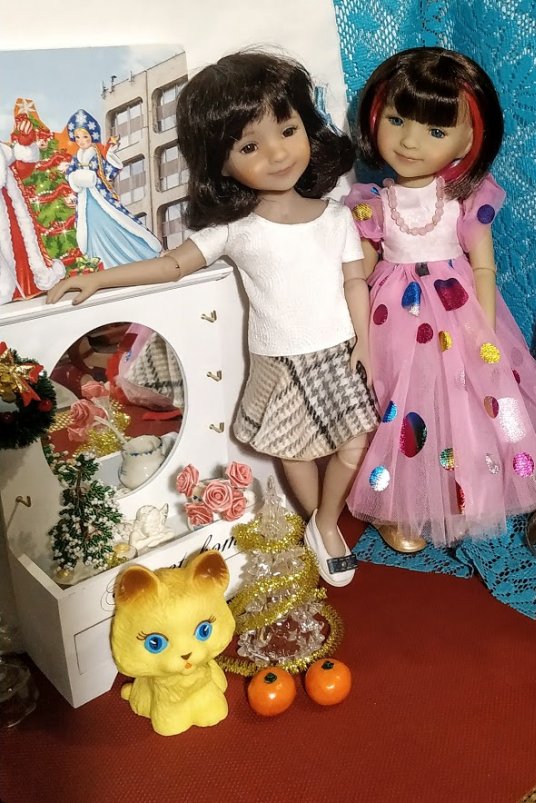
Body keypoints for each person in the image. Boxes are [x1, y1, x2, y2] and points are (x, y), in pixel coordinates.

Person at [47, 50, 377, 587]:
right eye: (249, 146)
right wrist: (100, 279)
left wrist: (365, 343)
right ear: (222, 164)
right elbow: (172, 265)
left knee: (354, 443)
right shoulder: (237, 229)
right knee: (293, 449)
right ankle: (321, 525)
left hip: (339, 352)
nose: (277, 153)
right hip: (280, 359)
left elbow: (354, 282)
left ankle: (323, 521)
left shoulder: (336, 218)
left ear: (307, 128)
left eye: (287, 130)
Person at [344, 47, 536, 551]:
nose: (410, 141)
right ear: (375, 117)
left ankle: (464, 492)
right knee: (400, 404)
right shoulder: (372, 204)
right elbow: (359, 274)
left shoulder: (466, 199)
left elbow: (483, 266)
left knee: (466, 403)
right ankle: (401, 503)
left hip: (459, 311)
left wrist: (485, 328)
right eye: (397, 120)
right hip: (392, 316)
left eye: (435, 131)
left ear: (470, 139)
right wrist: (353, 325)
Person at [64, 109, 162, 268]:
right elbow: (69, 173)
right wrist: (74, 178)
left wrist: (110, 154)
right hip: (84, 198)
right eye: (78, 137)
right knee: (89, 228)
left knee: (113, 221)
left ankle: (130, 254)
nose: (81, 141)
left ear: (92, 135)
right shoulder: (77, 157)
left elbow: (108, 173)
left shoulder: (96, 154)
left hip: (100, 196)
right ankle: (97, 260)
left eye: (85, 136)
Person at [0, 112, 65, 303]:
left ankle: (26, 287)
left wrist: (26, 141)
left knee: (24, 250)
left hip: (15, 218)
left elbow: (24, 168)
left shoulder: (5, 156)